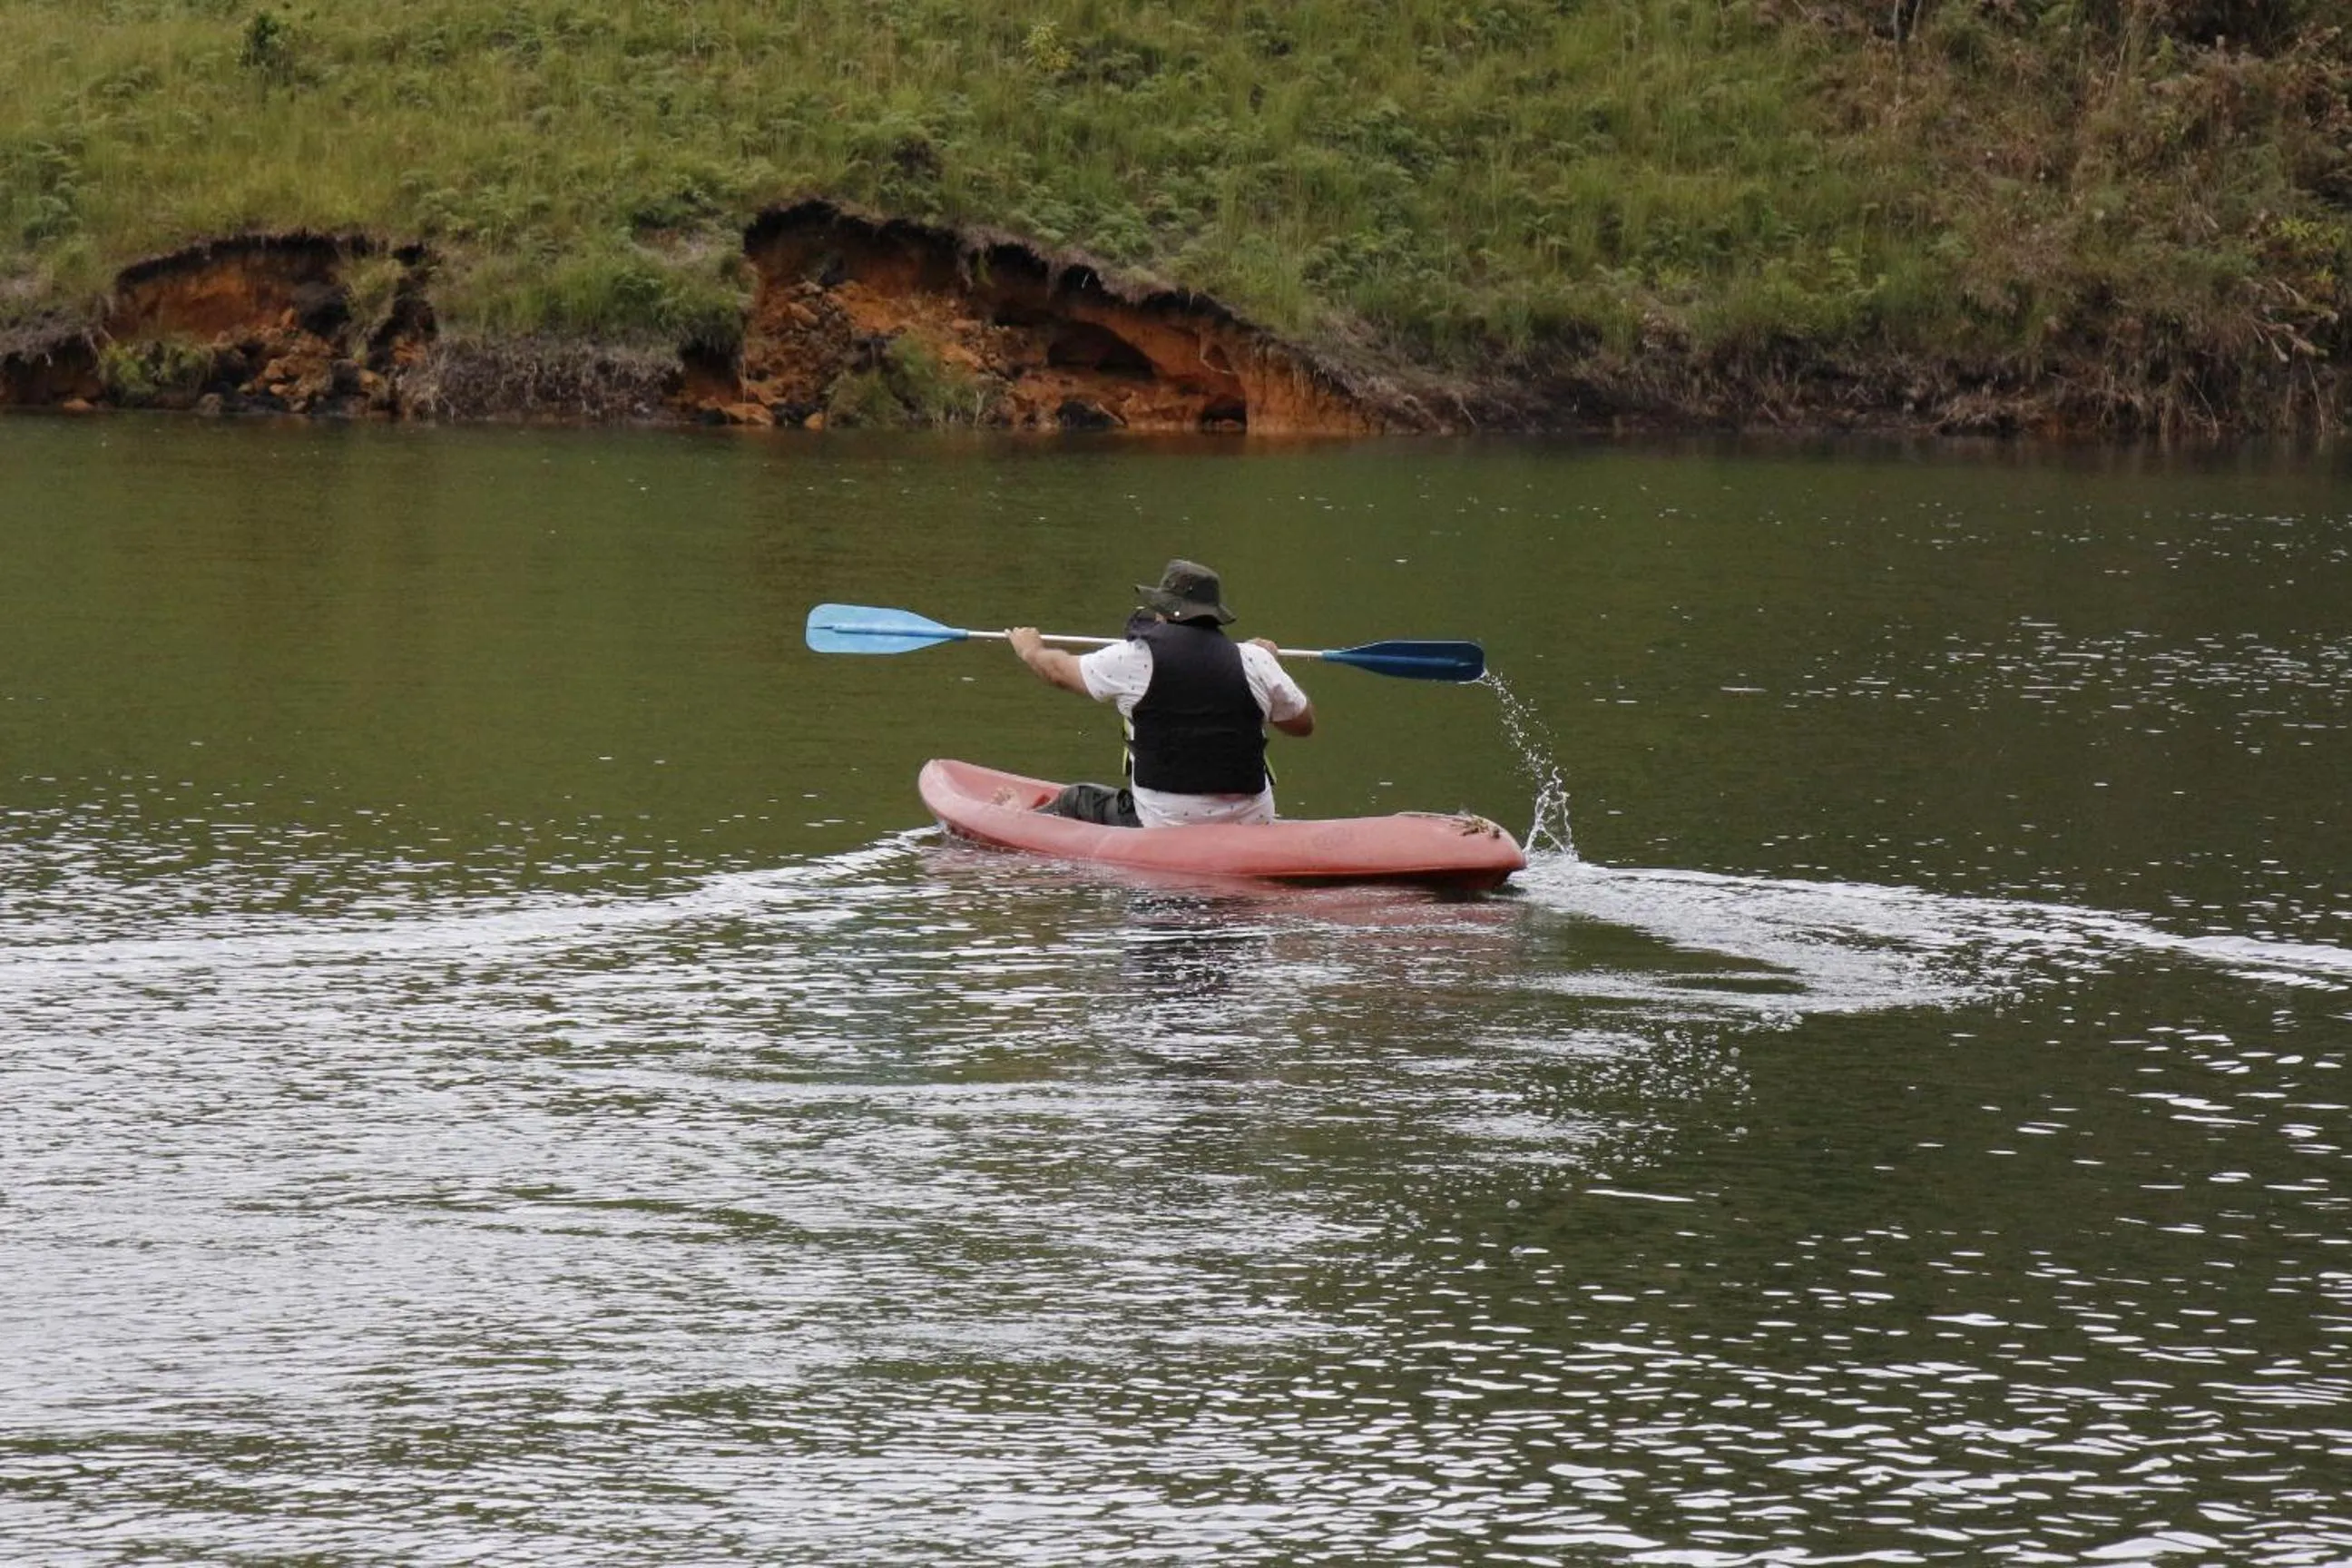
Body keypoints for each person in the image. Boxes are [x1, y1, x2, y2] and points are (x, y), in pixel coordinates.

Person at [1008, 560, 1315, 828]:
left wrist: (1030, 650)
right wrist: (1271, 666)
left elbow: (1059, 672)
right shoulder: (1254, 659)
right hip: (1252, 821)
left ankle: (1017, 820)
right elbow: (1302, 725)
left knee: (1078, 798)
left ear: (1164, 610)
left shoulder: (1136, 658)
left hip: (1163, 824)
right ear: (1213, 615)